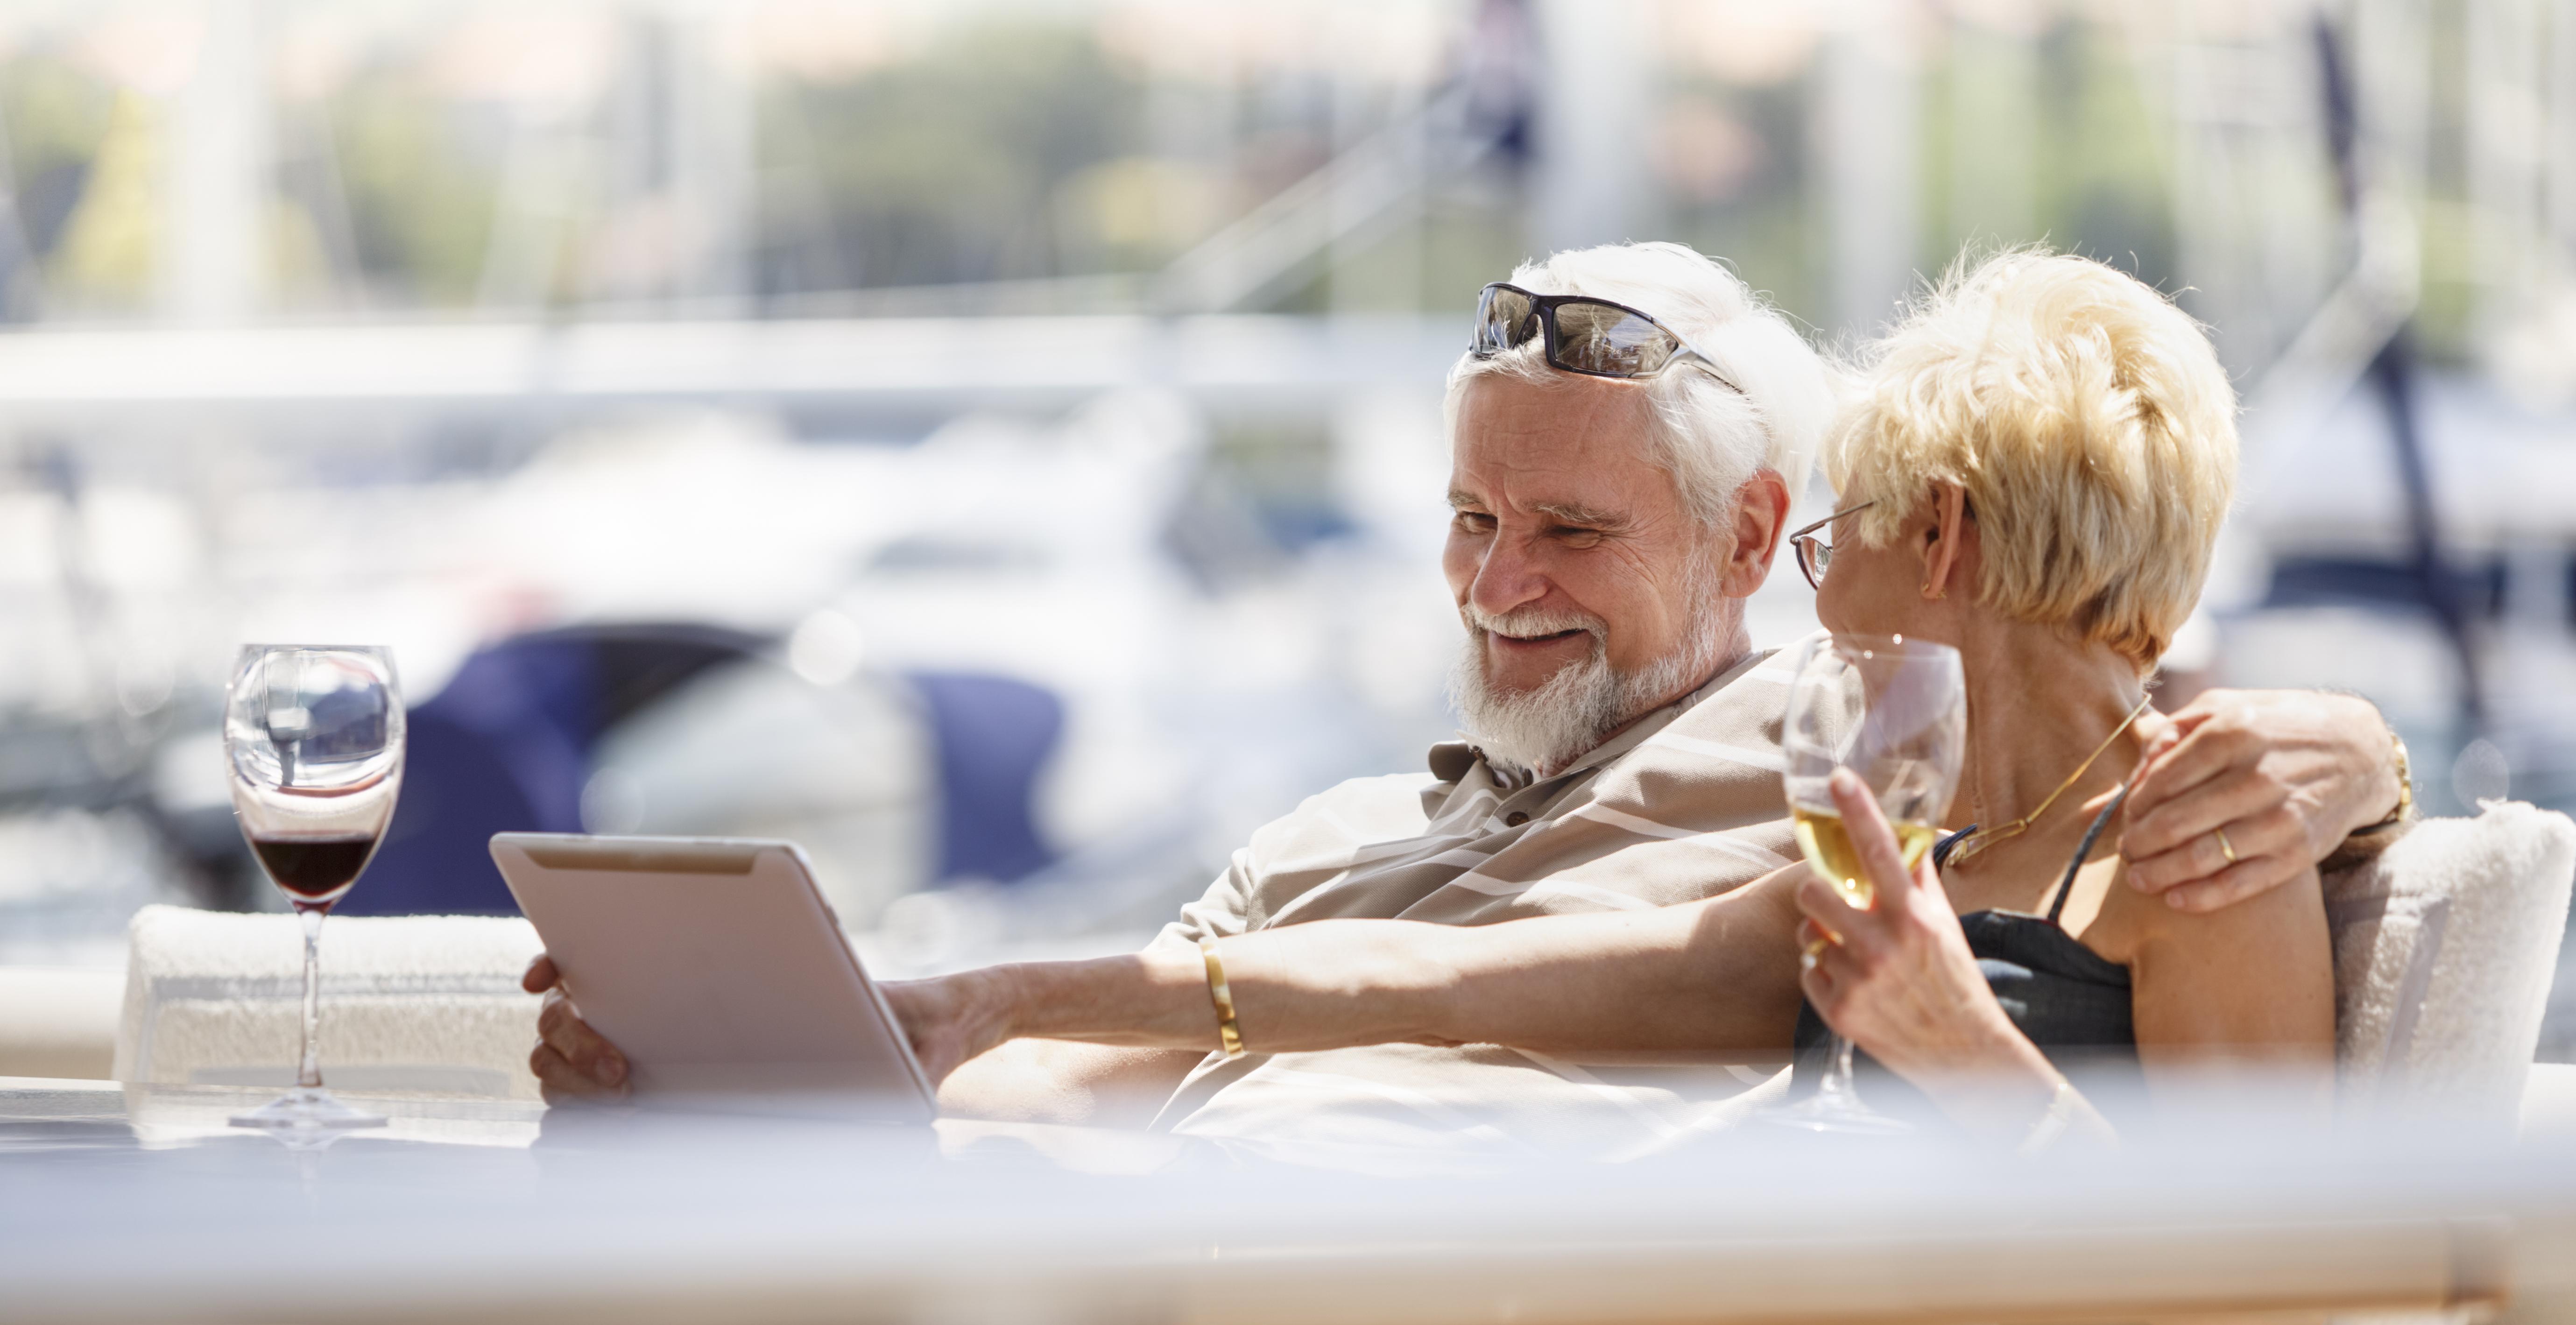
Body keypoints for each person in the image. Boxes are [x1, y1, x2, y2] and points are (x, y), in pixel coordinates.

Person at [773, 247, 2340, 1325]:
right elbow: (1452, 978)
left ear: (1934, 537)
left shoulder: (2197, 837)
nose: (1820, 593)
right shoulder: (1903, 834)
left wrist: (1966, 1052)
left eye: (1831, 540)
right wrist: (1003, 997)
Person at [529, 242, 2404, 1158]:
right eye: (1471, 519)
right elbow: (1092, 1066)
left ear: (1760, 537)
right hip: (1132, 1270)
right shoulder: (1331, 838)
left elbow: (2109, 693)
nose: (1496, 585)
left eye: (1571, 531)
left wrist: (2357, 756)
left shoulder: (1832, 753)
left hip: (1363, 1323)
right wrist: (769, 1085)